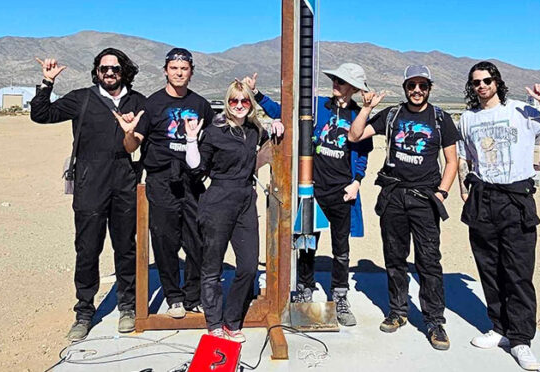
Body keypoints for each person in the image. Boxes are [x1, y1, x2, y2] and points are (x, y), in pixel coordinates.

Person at [246, 63, 384, 326]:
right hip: (313, 188)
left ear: (354, 88)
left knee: (341, 249)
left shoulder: (358, 115)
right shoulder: (317, 106)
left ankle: (340, 296)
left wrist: (356, 181)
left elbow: (363, 152)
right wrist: (258, 95)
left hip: (342, 192)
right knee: (307, 243)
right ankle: (305, 289)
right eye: (334, 79)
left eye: (342, 82)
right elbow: (284, 112)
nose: (336, 85)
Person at [457, 61, 540, 372]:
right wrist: (464, 190)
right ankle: (499, 327)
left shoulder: (520, 110)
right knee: (489, 268)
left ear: (497, 81)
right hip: (483, 199)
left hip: (515, 198)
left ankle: (520, 339)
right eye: (476, 81)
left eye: (487, 80)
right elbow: (465, 155)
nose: (482, 85)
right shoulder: (467, 118)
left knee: (518, 273)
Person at [30, 49, 147, 342]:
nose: (109, 73)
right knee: (87, 249)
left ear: (125, 71)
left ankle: (128, 306)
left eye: (115, 68)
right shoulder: (82, 98)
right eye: (104, 68)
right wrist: (46, 83)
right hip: (89, 181)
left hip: (125, 179)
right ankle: (84, 312)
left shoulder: (138, 102)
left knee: (126, 247)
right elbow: (41, 114)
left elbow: (154, 137)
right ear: (96, 71)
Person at [349, 63, 459, 351]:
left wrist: (442, 194)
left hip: (425, 199)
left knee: (429, 260)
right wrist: (366, 108)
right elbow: (355, 136)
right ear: (405, 88)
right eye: (412, 85)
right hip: (394, 196)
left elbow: (452, 161)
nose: (417, 91)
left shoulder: (441, 118)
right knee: (395, 257)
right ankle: (398, 311)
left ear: (429, 89)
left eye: (423, 86)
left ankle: (434, 320)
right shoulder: (393, 114)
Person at [184, 80, 284, 342]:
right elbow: (196, 167)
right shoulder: (215, 131)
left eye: (244, 101)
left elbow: (273, 130)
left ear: (250, 104)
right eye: (233, 101)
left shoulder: (253, 130)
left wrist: (274, 122)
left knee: (249, 266)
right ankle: (214, 323)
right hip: (218, 199)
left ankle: (231, 320)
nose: (239, 106)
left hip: (245, 200)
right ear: (227, 103)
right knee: (212, 266)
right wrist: (192, 140)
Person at [132, 47, 213, 318]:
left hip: (191, 181)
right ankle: (174, 296)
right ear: (166, 70)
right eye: (174, 68)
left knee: (197, 239)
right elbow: (136, 140)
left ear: (191, 72)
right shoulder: (152, 104)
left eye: (184, 68)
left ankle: (193, 295)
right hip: (162, 180)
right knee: (165, 240)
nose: (179, 73)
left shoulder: (201, 105)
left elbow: (210, 142)